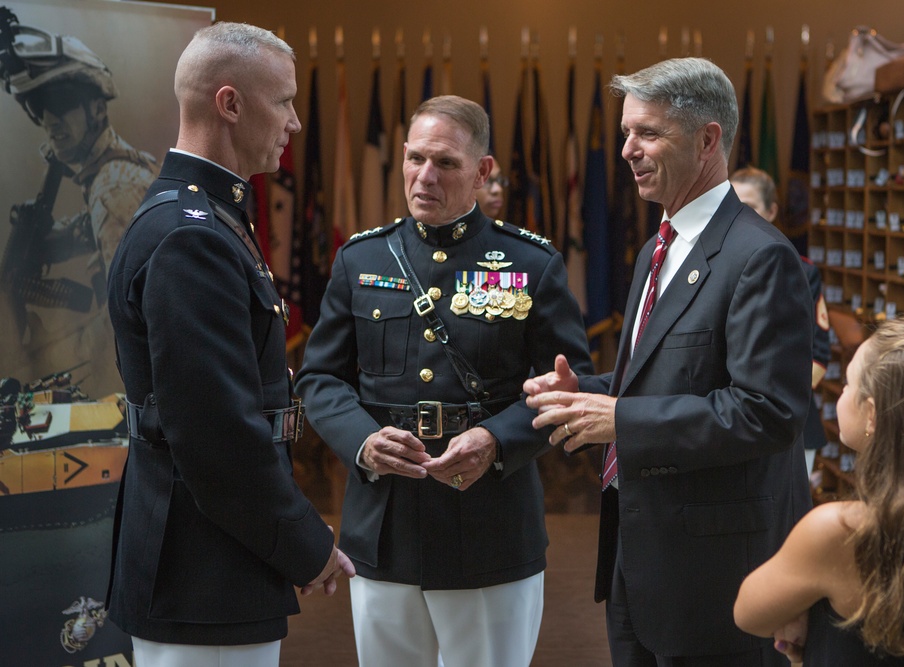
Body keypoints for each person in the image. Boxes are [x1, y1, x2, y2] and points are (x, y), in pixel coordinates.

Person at [523, 57, 814, 666]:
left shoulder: (760, 258)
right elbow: (669, 375)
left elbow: (766, 412)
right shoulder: (657, 248)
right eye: (627, 131)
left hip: (716, 579)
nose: (627, 149)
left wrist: (620, 420)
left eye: (647, 133)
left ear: (709, 139)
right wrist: (589, 392)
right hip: (639, 562)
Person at [294, 94, 593, 667]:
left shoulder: (531, 264)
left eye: (446, 164)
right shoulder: (361, 259)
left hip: (490, 525)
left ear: (483, 172)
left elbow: (570, 386)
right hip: (385, 523)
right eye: (415, 159)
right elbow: (321, 377)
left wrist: (497, 438)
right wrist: (361, 439)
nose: (424, 177)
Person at [105, 22, 354, 667]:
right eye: (284, 101)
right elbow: (216, 434)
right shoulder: (193, 236)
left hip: (210, 562)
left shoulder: (204, 218)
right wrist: (306, 543)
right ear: (230, 103)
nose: (296, 122)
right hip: (204, 571)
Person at [734, 317, 904, 667]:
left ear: (872, 415)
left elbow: (748, 613)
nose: (842, 392)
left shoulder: (840, 532)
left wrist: (804, 614)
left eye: (847, 384)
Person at [0, 10, 158, 396]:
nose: (51, 121)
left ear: (97, 108)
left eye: (63, 102)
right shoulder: (118, 174)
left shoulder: (112, 189)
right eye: (40, 108)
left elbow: (123, 322)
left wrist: (46, 360)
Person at [732, 166, 830, 473]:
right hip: (727, 420)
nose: (737, 217)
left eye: (749, 208)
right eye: (731, 208)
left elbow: (819, 356)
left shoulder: (802, 271)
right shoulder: (713, 267)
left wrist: (766, 397)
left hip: (787, 421)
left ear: (772, 211)